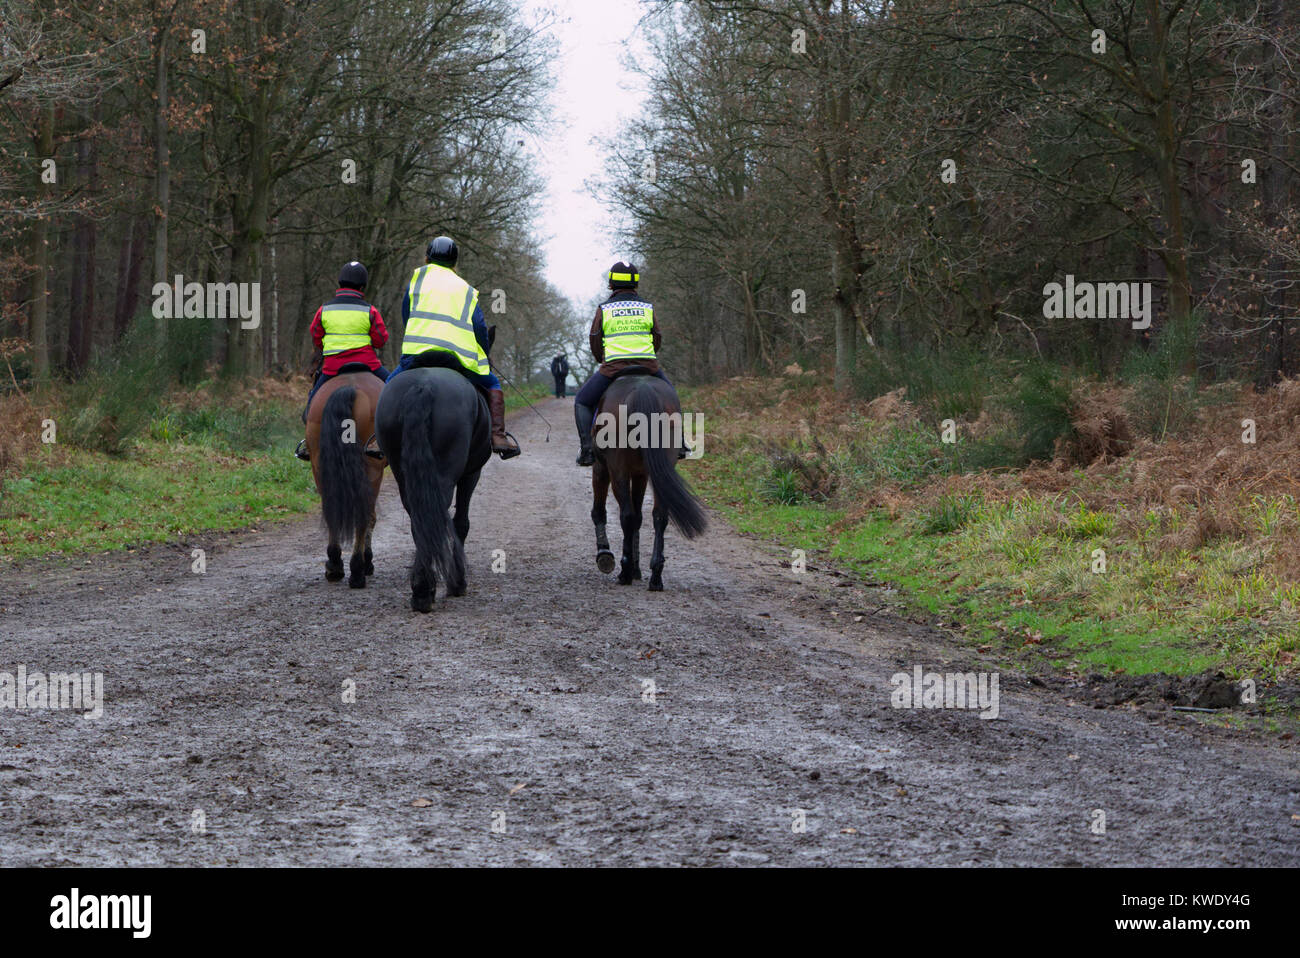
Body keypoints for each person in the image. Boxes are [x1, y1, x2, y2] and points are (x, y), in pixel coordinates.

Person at [386, 236, 520, 459]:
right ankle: (498, 436)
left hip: (417, 356)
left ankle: (378, 438)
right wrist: (483, 354)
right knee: (493, 382)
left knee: (390, 384)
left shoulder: (416, 281)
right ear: (454, 262)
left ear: (427, 258)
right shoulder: (466, 290)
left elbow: (407, 316)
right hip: (456, 359)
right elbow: (478, 326)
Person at [573, 261, 680, 466]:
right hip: (648, 365)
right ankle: (680, 442)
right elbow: (657, 337)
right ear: (636, 284)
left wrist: (601, 360)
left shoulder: (605, 309)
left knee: (582, 401)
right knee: (671, 396)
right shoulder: (647, 308)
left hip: (614, 368)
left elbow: (595, 338)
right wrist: (647, 355)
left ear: (611, 284)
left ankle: (587, 450)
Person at [295, 261, 389, 461]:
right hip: (369, 365)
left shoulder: (324, 310)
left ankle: (308, 443)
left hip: (332, 368)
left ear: (339, 283)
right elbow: (381, 339)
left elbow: (316, 336)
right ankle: (386, 440)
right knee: (394, 389)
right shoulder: (370, 311)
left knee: (311, 406)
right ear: (362, 286)